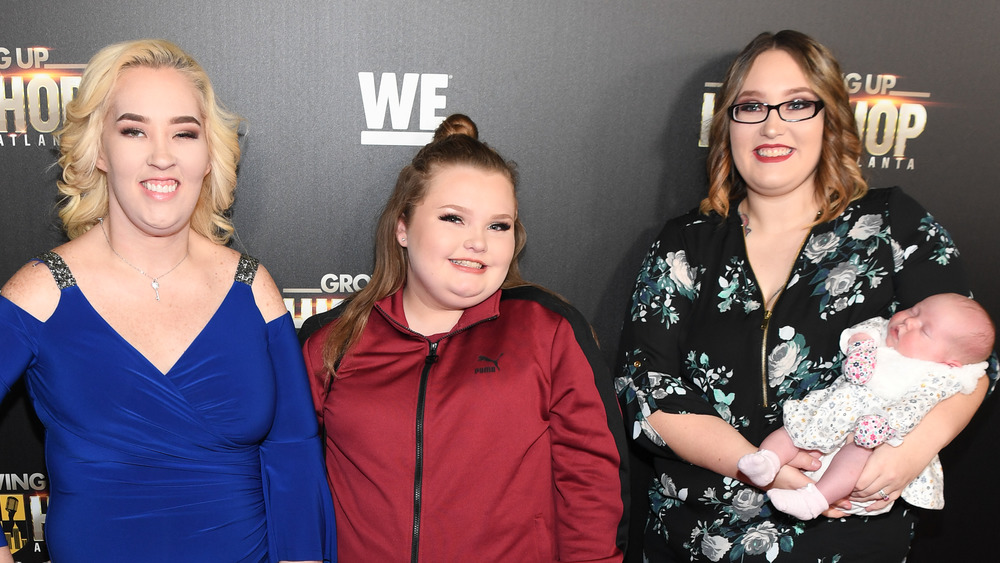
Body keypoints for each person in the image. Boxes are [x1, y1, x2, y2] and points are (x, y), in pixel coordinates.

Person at [615, 30, 996, 561]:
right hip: (695, 536)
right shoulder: (685, 241)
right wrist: (765, 470)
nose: (773, 125)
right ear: (727, 125)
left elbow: (972, 368)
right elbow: (645, 385)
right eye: (751, 106)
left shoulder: (891, 224)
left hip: (852, 537)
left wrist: (909, 455)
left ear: (830, 119)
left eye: (797, 104)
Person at [0, 39, 332, 562]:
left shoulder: (252, 288)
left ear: (207, 156)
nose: (162, 155)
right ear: (98, 151)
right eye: (134, 130)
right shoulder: (41, 293)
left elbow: (293, 455)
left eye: (184, 132)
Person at [299, 114, 628, 562]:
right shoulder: (331, 340)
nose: (478, 241)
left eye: (498, 225)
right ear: (402, 226)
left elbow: (592, 485)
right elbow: (291, 481)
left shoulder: (548, 331)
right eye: (454, 218)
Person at [739, 293, 994, 519]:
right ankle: (766, 461)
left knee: (856, 455)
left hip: (874, 430)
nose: (909, 322)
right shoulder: (884, 331)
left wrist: (885, 424)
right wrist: (861, 347)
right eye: (915, 310)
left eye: (925, 330)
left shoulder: (936, 377)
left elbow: (913, 407)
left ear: (951, 363)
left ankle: (814, 499)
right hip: (835, 409)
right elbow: (864, 330)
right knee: (794, 428)